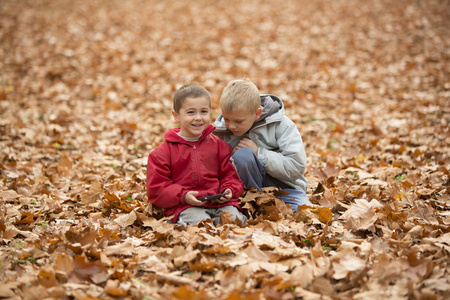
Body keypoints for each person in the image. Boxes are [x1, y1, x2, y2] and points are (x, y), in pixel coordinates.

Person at [146, 84, 247, 226]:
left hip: (219, 203)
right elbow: (157, 188)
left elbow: (230, 176)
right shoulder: (162, 153)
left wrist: (229, 189)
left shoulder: (219, 146)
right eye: (191, 112)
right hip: (185, 205)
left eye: (204, 111)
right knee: (200, 226)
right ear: (176, 116)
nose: (198, 118)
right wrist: (184, 196)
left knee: (234, 222)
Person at [213, 79, 311, 212]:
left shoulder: (282, 125)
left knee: (303, 212)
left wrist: (259, 153)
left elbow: (295, 166)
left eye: (239, 121)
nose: (231, 126)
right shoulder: (220, 132)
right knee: (243, 156)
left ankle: (264, 207)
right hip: (244, 190)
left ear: (257, 114)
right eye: (226, 119)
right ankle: (252, 205)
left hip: (285, 187)